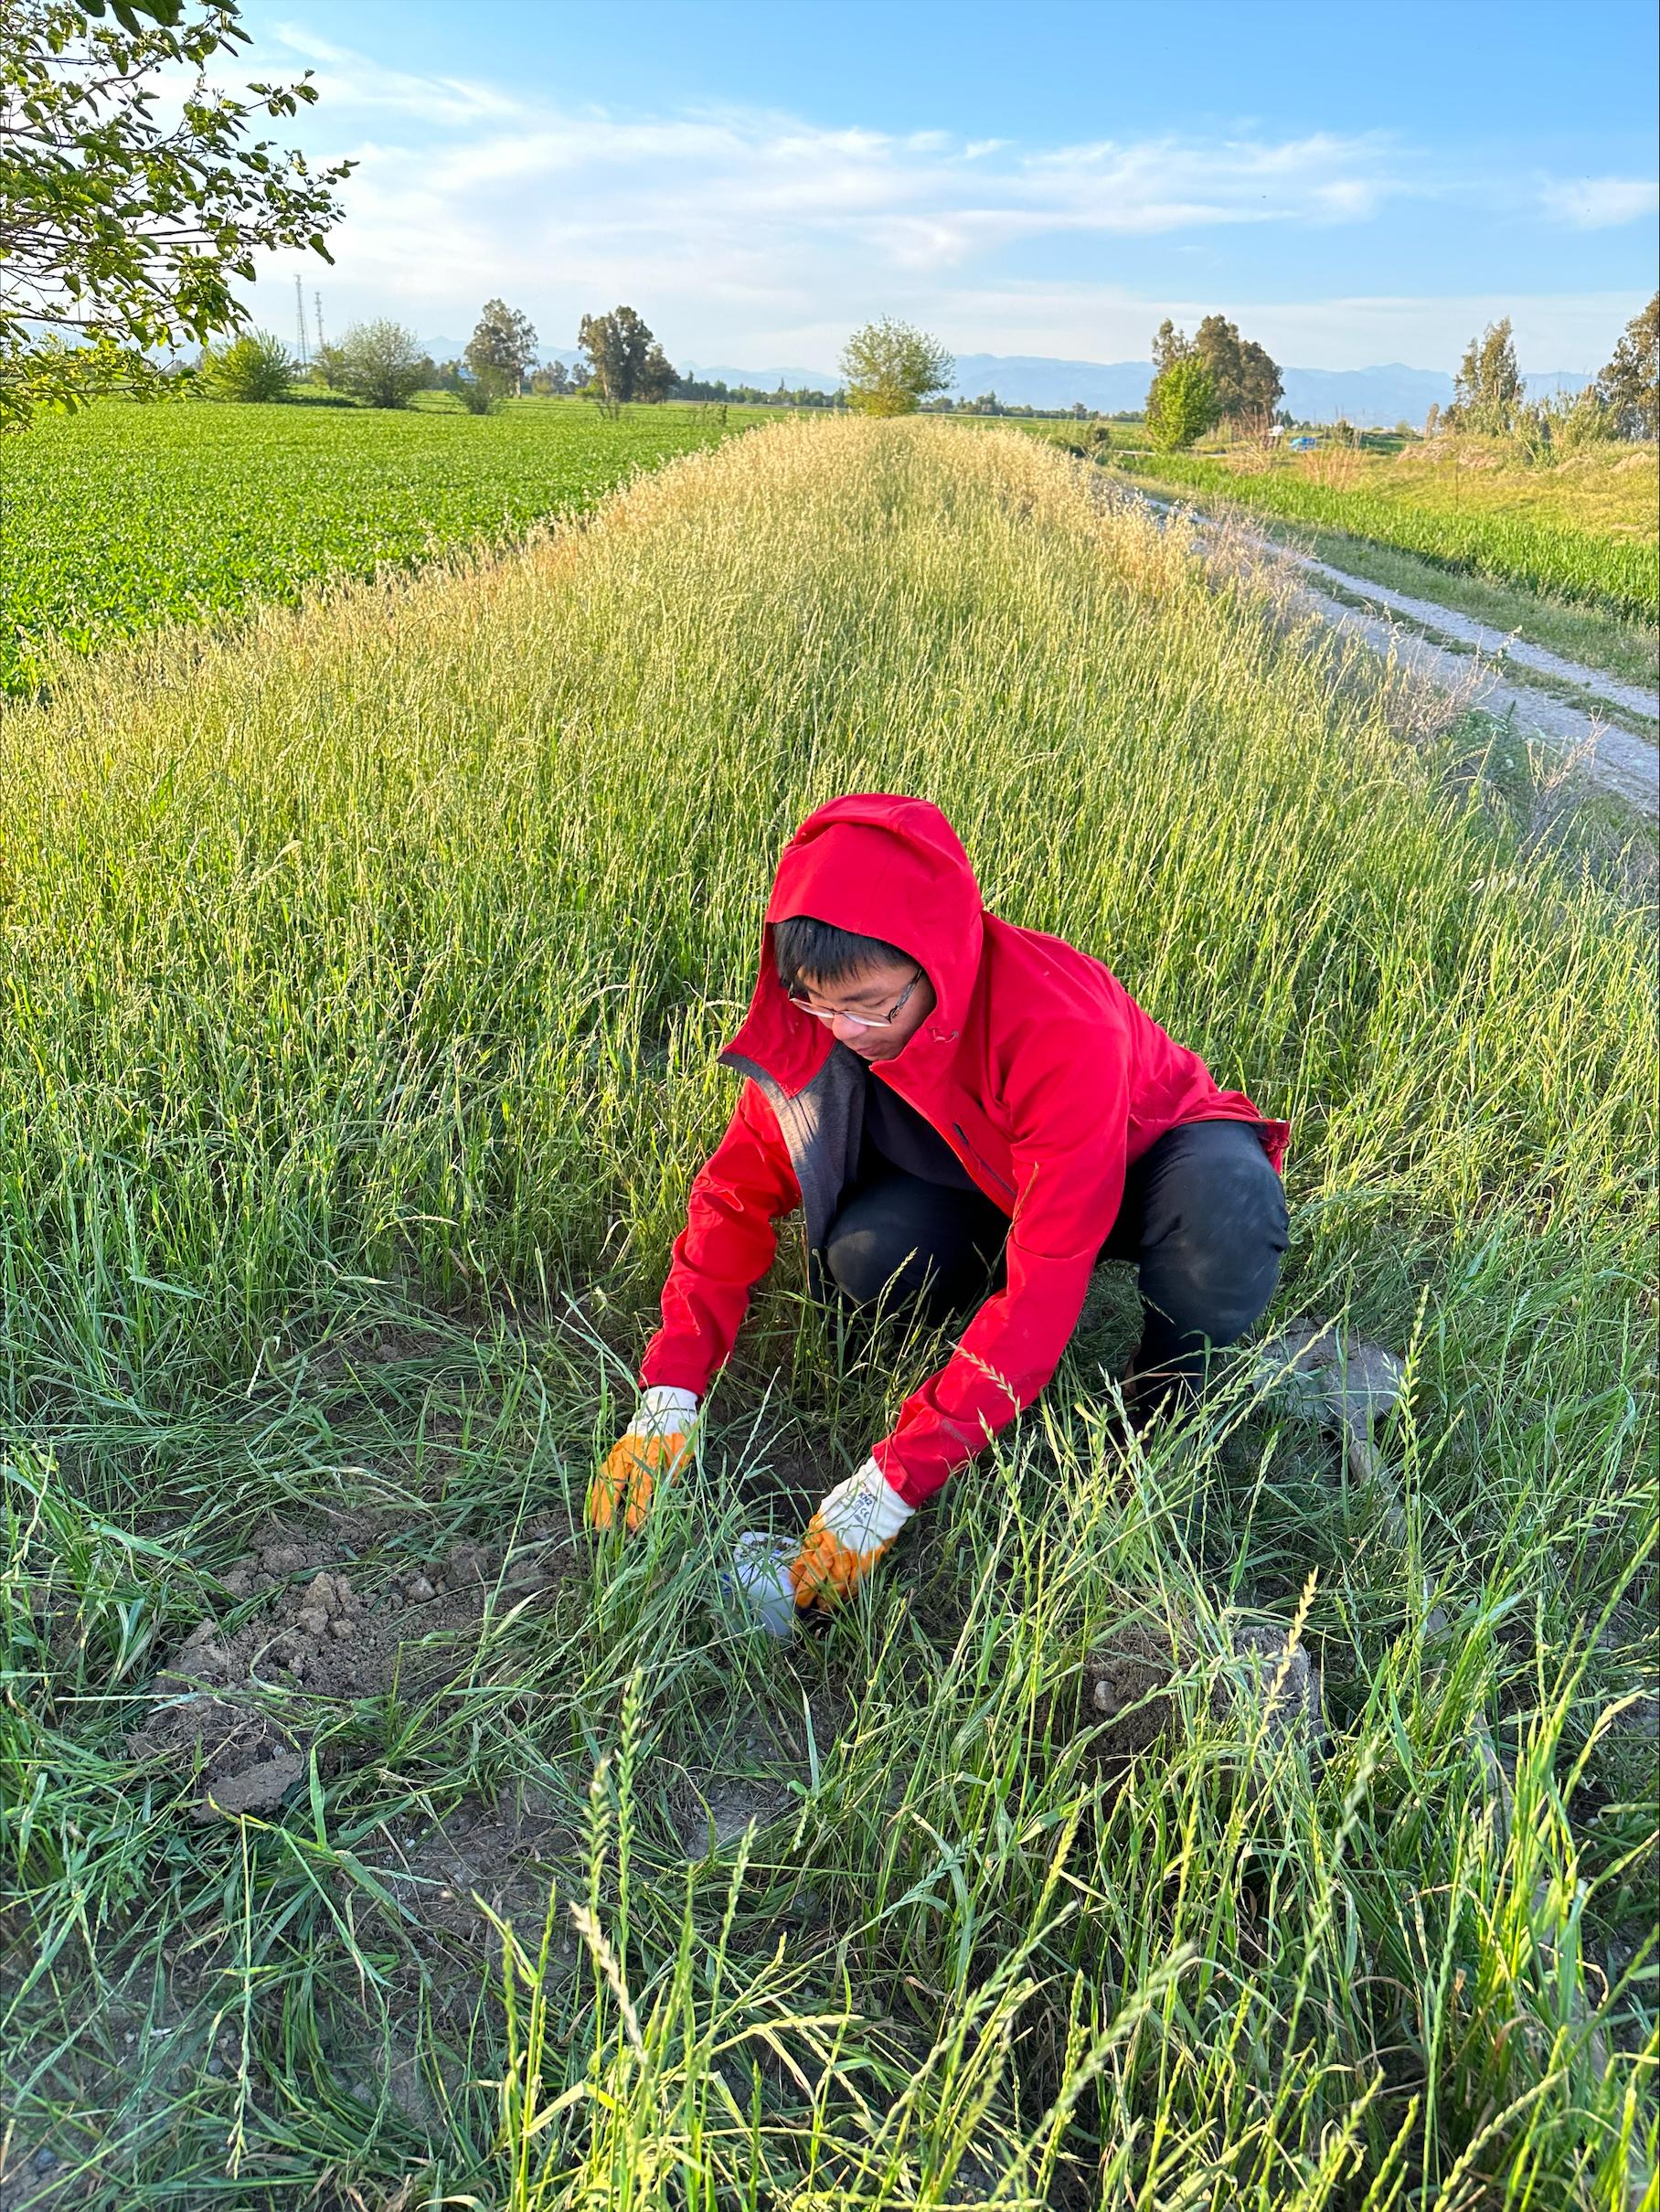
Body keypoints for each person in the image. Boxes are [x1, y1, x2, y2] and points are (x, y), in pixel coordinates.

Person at [588, 794, 1290, 1617]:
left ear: (940, 962)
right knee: (865, 1260)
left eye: (872, 1005)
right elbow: (732, 1197)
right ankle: (963, 1329)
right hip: (983, 1173)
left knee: (1226, 1215)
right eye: (818, 1001)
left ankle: (1160, 1398)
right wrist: (668, 1397)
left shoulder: (1060, 1028)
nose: (844, 1030)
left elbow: (1046, 1290)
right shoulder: (822, 1022)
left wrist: (889, 1487)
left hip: (1143, 1163)